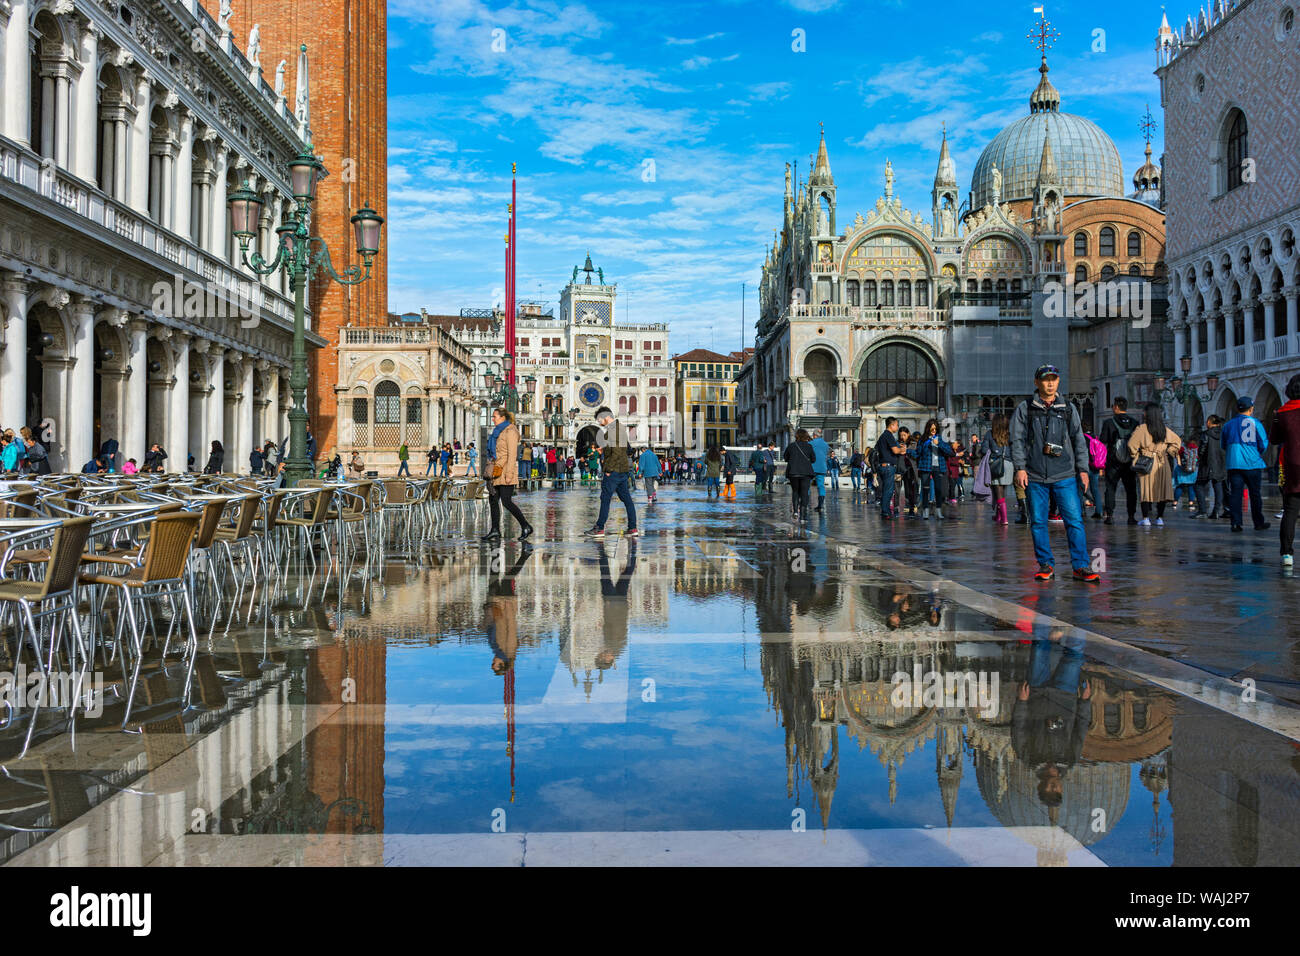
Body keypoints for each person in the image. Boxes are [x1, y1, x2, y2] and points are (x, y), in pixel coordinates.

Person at [1009, 365, 1100, 583]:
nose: (1050, 383)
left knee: (1074, 521)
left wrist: (1083, 470)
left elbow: (1079, 439)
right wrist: (1020, 467)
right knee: (1038, 522)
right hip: (1035, 474)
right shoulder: (1026, 408)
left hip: (1065, 474)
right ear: (1036, 382)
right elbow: (1017, 440)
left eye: (1054, 379)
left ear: (1058, 382)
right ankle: (1046, 564)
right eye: (1046, 379)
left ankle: (1080, 566)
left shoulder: (1067, 408)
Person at [481, 407, 533, 542]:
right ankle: (495, 530)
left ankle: (526, 526)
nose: (492, 419)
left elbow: (512, 455)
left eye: (495, 417)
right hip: (496, 470)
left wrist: (509, 474)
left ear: (502, 418)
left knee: (506, 501)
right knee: (493, 499)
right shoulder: (497, 432)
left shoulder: (511, 431)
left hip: (505, 471)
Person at [585, 407, 638, 537]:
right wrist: (603, 450)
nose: (599, 423)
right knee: (626, 499)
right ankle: (632, 528)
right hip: (621, 470)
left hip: (614, 471)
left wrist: (608, 470)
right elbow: (616, 449)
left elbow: (618, 452)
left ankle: (600, 528)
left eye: (599, 419)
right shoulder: (617, 429)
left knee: (605, 498)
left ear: (606, 417)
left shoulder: (614, 430)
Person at [1128, 402, 1182, 526]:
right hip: (1162, 462)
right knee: (1162, 490)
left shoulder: (1142, 429)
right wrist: (1168, 451)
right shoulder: (1165, 429)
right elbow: (1177, 442)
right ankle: (1159, 518)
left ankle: (1146, 518)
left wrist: (1136, 456)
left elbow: (1131, 445)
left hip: (1146, 463)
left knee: (1146, 490)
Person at [1223, 396, 1270, 533]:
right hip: (1253, 464)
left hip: (1234, 464)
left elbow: (1223, 444)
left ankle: (1236, 523)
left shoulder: (1228, 425)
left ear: (1237, 409)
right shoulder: (1256, 423)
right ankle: (1258, 522)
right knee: (1255, 494)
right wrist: (1255, 452)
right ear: (1251, 409)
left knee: (1235, 494)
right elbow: (1263, 443)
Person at [1269, 374, 1300, 566]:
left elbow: (1274, 440)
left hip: (1292, 465)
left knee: (1290, 510)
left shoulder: (1281, 414)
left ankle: (1287, 554)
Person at [1099, 397, 1140, 525]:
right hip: (1130, 461)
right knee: (1131, 489)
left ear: (1116, 407)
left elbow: (1103, 441)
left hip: (1113, 461)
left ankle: (1110, 516)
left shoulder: (1108, 423)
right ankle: (1131, 516)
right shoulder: (1134, 423)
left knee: (1110, 488)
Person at [916, 419, 953, 519]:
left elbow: (949, 451)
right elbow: (918, 452)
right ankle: (925, 511)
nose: (933, 430)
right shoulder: (923, 439)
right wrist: (927, 443)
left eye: (935, 428)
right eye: (932, 428)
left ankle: (939, 511)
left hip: (938, 466)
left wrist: (938, 444)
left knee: (938, 489)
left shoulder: (941, 438)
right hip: (926, 466)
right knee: (925, 489)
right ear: (928, 428)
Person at [1196, 415, 1228, 519]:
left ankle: (1202, 510)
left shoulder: (1206, 434)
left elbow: (1202, 450)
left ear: (1209, 422)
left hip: (1207, 464)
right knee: (1218, 487)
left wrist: (1200, 457)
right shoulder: (1224, 434)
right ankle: (1217, 511)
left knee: (1199, 486)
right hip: (1221, 464)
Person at [984, 413, 1014, 524]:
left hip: (996, 464)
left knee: (998, 491)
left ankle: (1004, 519)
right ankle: (998, 515)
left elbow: (984, 450)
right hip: (1009, 464)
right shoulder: (1009, 435)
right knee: (1002, 491)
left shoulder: (989, 434)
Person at [874, 418, 905, 519]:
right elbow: (895, 451)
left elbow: (877, 449)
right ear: (891, 425)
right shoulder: (888, 435)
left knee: (886, 490)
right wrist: (902, 449)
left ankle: (885, 511)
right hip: (888, 467)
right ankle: (886, 512)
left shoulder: (882, 436)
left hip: (882, 466)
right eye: (896, 425)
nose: (897, 427)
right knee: (889, 490)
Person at [784, 428, 816, 522]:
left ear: (796, 436)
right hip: (806, 473)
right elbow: (813, 459)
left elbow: (785, 458)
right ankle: (803, 516)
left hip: (793, 473)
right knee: (804, 493)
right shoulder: (809, 446)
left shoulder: (791, 446)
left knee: (795, 492)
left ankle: (795, 512)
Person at [809, 429, 829, 512]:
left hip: (811, 467)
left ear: (814, 435)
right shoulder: (826, 444)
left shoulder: (810, 443)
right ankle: (820, 505)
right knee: (821, 486)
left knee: (807, 486)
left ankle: (806, 504)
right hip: (822, 468)